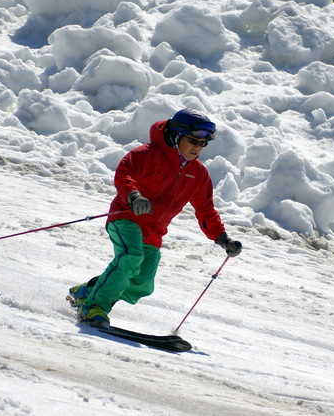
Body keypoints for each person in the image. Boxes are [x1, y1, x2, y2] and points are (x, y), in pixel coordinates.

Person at [69, 109, 242, 328]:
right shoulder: (147, 155)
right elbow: (124, 175)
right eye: (193, 141)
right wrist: (133, 196)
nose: (198, 148)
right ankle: (95, 306)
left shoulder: (198, 174)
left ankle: (89, 291)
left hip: (153, 232)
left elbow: (206, 210)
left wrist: (223, 239)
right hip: (126, 218)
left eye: (202, 144)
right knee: (131, 257)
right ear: (176, 136)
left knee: (143, 283)